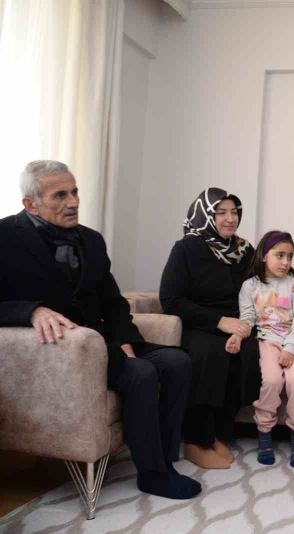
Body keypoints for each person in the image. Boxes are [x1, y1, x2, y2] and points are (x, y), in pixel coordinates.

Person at [0, 160, 200, 499]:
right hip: (57, 353)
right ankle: (152, 475)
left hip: (102, 342)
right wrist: (31, 310)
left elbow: (113, 302)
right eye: (60, 195)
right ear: (30, 204)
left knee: (177, 361)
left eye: (75, 192)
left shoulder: (91, 240)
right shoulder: (5, 237)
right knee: (141, 373)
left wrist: (125, 341)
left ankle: (164, 458)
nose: (73, 202)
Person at [159, 188, 294, 469]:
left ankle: (218, 433)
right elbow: (171, 299)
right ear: (206, 214)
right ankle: (195, 439)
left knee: (252, 354)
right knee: (210, 355)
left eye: (234, 212)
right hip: (201, 325)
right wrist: (219, 321)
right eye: (221, 212)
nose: (230, 218)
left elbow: (270, 276)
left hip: (242, 323)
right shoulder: (186, 249)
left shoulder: (243, 250)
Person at [226, 230, 294, 468]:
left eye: (290, 257)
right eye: (279, 255)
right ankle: (264, 435)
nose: (285, 262)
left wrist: (291, 349)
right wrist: (237, 335)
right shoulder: (249, 286)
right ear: (264, 255)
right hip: (267, 342)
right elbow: (247, 317)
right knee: (271, 381)